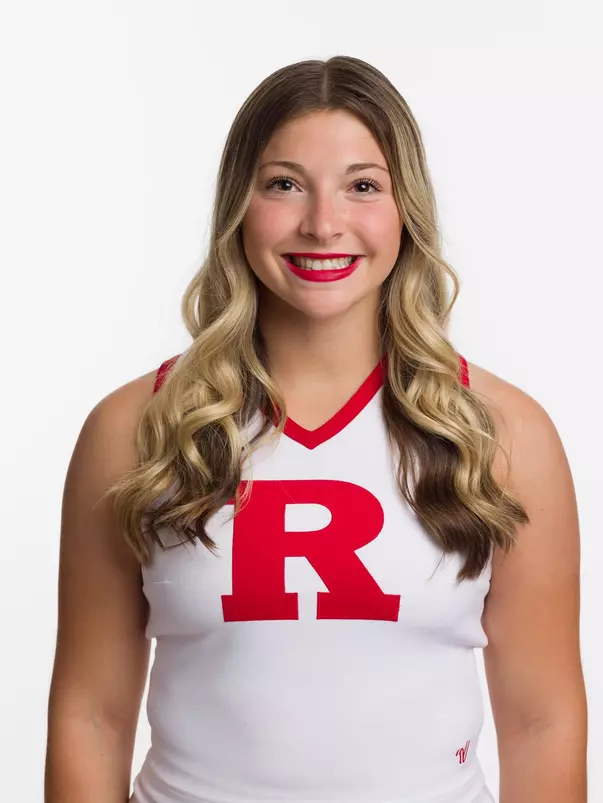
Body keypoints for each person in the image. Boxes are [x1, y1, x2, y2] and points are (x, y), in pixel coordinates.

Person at [45, 56, 587, 803]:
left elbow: (541, 720)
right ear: (239, 202)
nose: (323, 223)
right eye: (284, 184)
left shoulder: (502, 433)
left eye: (362, 185)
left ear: (406, 209)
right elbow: (91, 714)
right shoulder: (137, 426)